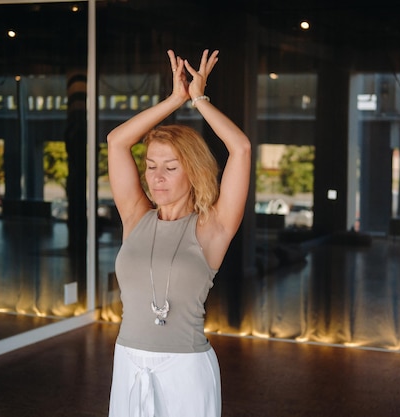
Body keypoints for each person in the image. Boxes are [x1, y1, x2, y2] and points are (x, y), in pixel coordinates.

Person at [106, 48, 251, 417]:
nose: (156, 176)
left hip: (184, 369)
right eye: (151, 165)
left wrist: (198, 99)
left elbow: (241, 148)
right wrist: (174, 99)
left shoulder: (212, 228)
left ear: (193, 172)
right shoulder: (136, 216)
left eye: (170, 167)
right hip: (128, 361)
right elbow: (117, 142)